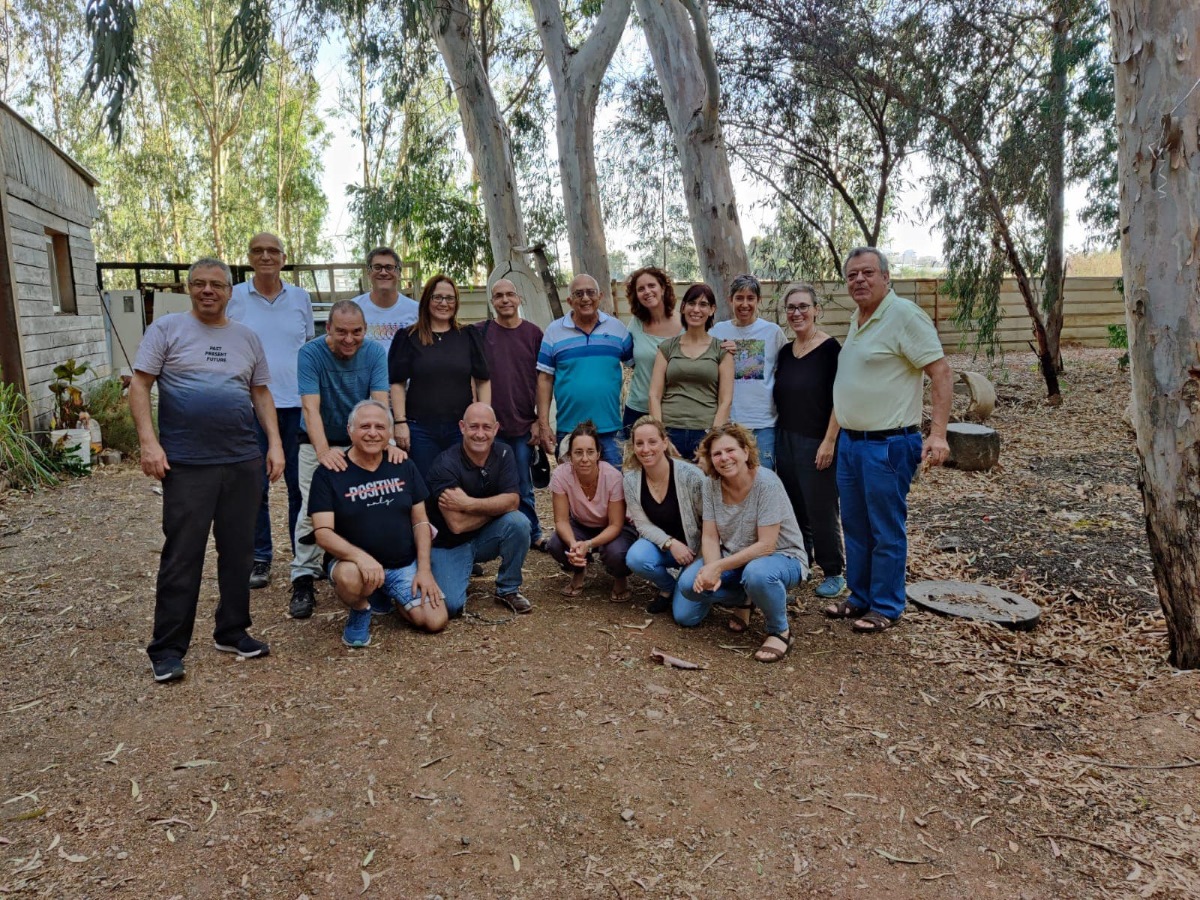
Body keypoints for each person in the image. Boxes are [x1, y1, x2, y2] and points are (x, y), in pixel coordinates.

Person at [130, 257, 284, 683]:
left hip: (241, 460)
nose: (208, 291)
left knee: (238, 551)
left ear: (230, 291)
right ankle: (167, 648)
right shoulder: (166, 330)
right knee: (183, 555)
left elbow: (260, 392)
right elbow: (141, 384)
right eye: (199, 284)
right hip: (187, 463)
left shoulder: (246, 337)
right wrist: (149, 443)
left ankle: (232, 630)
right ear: (188, 288)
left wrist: (273, 444)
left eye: (217, 284)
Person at [830, 247, 952, 633]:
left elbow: (941, 373)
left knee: (885, 526)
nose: (859, 281)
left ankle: (886, 604)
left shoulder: (904, 316)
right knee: (855, 524)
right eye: (852, 275)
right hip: (851, 443)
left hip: (888, 443)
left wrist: (937, 434)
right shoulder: (859, 318)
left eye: (868, 273)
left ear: (886, 276)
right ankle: (860, 596)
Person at [309, 400, 446, 647]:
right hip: (355, 566)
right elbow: (323, 532)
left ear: (390, 433)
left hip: (402, 564)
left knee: (434, 620)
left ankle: (385, 593)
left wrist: (424, 570)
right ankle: (361, 608)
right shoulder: (330, 471)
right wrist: (361, 558)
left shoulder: (402, 464)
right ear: (350, 430)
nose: (373, 433)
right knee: (350, 576)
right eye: (365, 426)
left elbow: (420, 522)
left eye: (380, 427)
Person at [290, 300, 396, 620]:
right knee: (313, 507)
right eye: (341, 332)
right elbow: (310, 408)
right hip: (316, 438)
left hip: (361, 437)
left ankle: (372, 566)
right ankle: (303, 577)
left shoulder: (375, 353)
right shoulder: (310, 354)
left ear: (365, 330)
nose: (349, 339)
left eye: (357, 332)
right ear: (328, 330)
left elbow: (379, 403)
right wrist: (324, 453)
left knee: (370, 500)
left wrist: (384, 443)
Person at [674, 424, 808, 663]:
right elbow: (710, 536)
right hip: (734, 558)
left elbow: (767, 545)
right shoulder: (711, 485)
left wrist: (718, 567)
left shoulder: (766, 483)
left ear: (746, 452)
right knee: (687, 589)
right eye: (717, 454)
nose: (724, 458)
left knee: (757, 574)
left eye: (730, 450)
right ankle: (744, 599)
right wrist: (712, 569)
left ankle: (780, 630)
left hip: (780, 557)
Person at [227, 231, 314, 590]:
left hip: (295, 404)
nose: (266, 256)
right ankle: (260, 557)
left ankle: (302, 557)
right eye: (258, 250)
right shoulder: (233, 297)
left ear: (283, 257)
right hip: (248, 408)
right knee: (255, 487)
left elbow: (306, 346)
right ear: (249, 257)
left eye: (273, 251)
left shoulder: (300, 298)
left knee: (300, 487)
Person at [773, 283, 846, 600]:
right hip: (785, 439)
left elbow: (840, 400)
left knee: (821, 509)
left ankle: (833, 571)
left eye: (803, 306)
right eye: (791, 308)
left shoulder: (831, 350)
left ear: (817, 310)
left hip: (818, 440)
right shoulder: (785, 352)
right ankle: (802, 562)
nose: (797, 313)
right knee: (794, 507)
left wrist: (829, 441)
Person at [425, 403, 532, 615]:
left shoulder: (504, 453)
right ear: (462, 427)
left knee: (519, 523)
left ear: (496, 428)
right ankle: (458, 567)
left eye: (486, 427)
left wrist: (468, 504)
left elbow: (513, 501)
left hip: (484, 537)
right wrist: (497, 508)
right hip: (449, 544)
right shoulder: (445, 464)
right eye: (474, 427)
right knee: (451, 606)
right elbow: (456, 525)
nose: (480, 434)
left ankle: (508, 589)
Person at [389, 273, 491, 477]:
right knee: (426, 486)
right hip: (420, 431)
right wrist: (400, 423)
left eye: (449, 298)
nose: (444, 303)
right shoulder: (408, 337)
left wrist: (483, 419)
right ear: (427, 300)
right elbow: (397, 383)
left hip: (460, 428)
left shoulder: (468, 335)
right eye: (438, 297)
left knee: (460, 483)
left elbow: (483, 380)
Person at [474, 278, 549, 551]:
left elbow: (544, 380)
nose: (505, 300)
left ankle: (533, 533)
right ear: (491, 302)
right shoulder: (479, 332)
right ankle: (492, 534)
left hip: (521, 424)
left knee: (522, 483)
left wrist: (540, 422)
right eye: (498, 296)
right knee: (484, 483)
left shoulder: (533, 334)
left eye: (510, 294)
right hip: (486, 426)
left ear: (519, 299)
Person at [536, 274, 633, 468]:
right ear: (570, 300)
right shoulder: (554, 331)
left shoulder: (617, 329)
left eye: (591, 292)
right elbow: (544, 379)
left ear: (601, 296)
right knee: (571, 491)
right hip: (569, 430)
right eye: (579, 294)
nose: (585, 298)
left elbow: (638, 368)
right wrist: (544, 425)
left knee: (613, 490)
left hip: (610, 430)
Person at [622, 416, 705, 614]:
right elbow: (642, 524)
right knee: (636, 557)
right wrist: (671, 543)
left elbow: (710, 522)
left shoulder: (691, 476)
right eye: (639, 443)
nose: (646, 449)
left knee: (685, 617)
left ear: (665, 442)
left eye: (652, 442)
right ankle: (668, 587)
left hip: (698, 550)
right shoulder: (631, 480)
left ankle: (691, 584)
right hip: (664, 547)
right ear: (633, 447)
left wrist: (701, 556)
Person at [547, 420, 637, 601]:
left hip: (613, 527)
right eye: (578, 453)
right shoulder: (561, 475)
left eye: (590, 452)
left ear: (598, 454)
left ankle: (620, 577)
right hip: (582, 524)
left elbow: (616, 524)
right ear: (570, 456)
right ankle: (579, 570)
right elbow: (561, 521)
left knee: (617, 553)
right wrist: (574, 544)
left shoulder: (612, 476)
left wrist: (588, 544)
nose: (584, 458)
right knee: (556, 544)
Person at [710, 274, 788, 469]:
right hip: (729, 424)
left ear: (758, 300)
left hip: (764, 425)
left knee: (763, 479)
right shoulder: (717, 332)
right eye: (739, 298)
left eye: (750, 298)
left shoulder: (773, 332)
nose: (745, 304)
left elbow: (788, 368)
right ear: (730, 300)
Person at [648, 283, 733, 460]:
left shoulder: (722, 350)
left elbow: (725, 401)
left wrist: (712, 441)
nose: (696, 309)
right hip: (670, 430)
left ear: (712, 310)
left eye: (703, 304)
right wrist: (660, 436)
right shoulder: (667, 348)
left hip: (705, 431)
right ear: (683, 307)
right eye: (692, 303)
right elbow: (654, 395)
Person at [623, 266, 682, 434]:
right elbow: (630, 360)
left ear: (663, 288)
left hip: (674, 411)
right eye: (641, 289)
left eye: (651, 285)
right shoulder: (635, 324)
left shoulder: (686, 323)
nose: (647, 291)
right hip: (638, 409)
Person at [350, 247, 418, 349]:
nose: (383, 272)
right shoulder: (353, 309)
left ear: (399, 273)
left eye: (389, 267)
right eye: (377, 267)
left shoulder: (416, 311)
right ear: (368, 272)